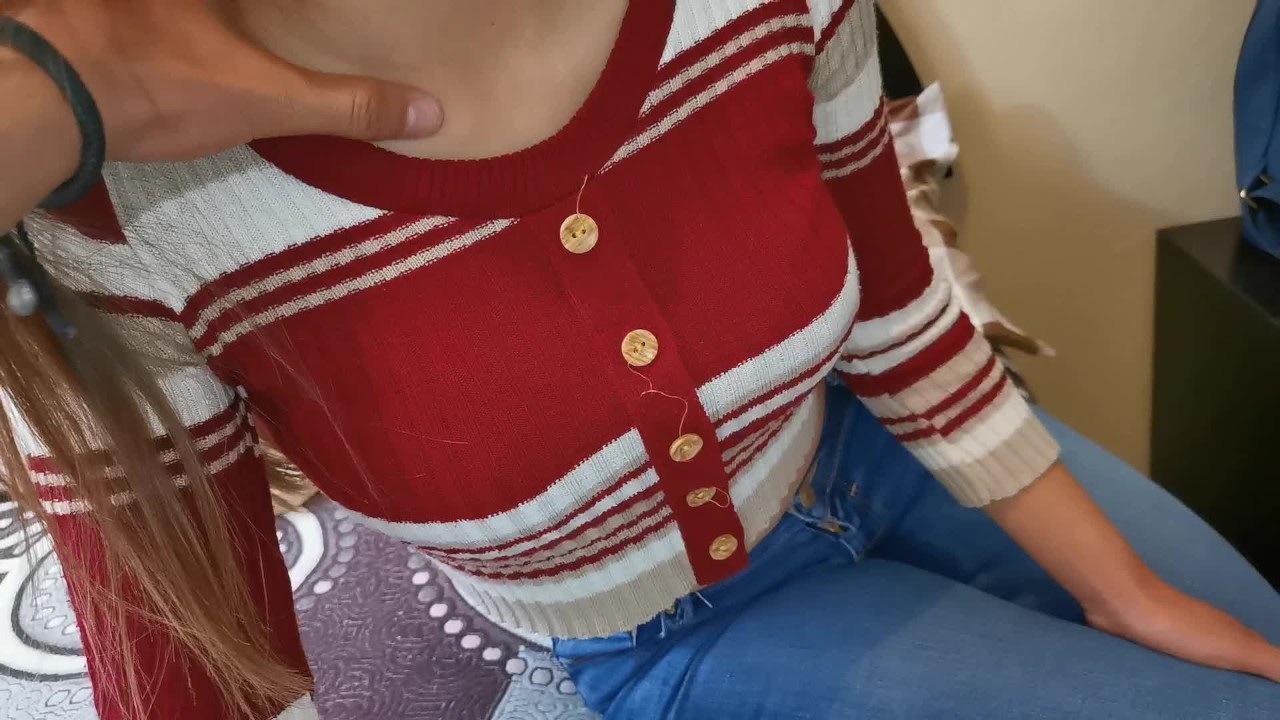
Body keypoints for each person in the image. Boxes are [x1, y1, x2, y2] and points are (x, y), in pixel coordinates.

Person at [2, 1, 1279, 719]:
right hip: (660, 632)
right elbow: (195, 667)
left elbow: (898, 307)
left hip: (871, 449)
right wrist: (48, 95)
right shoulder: (107, 212)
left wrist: (1119, 591)